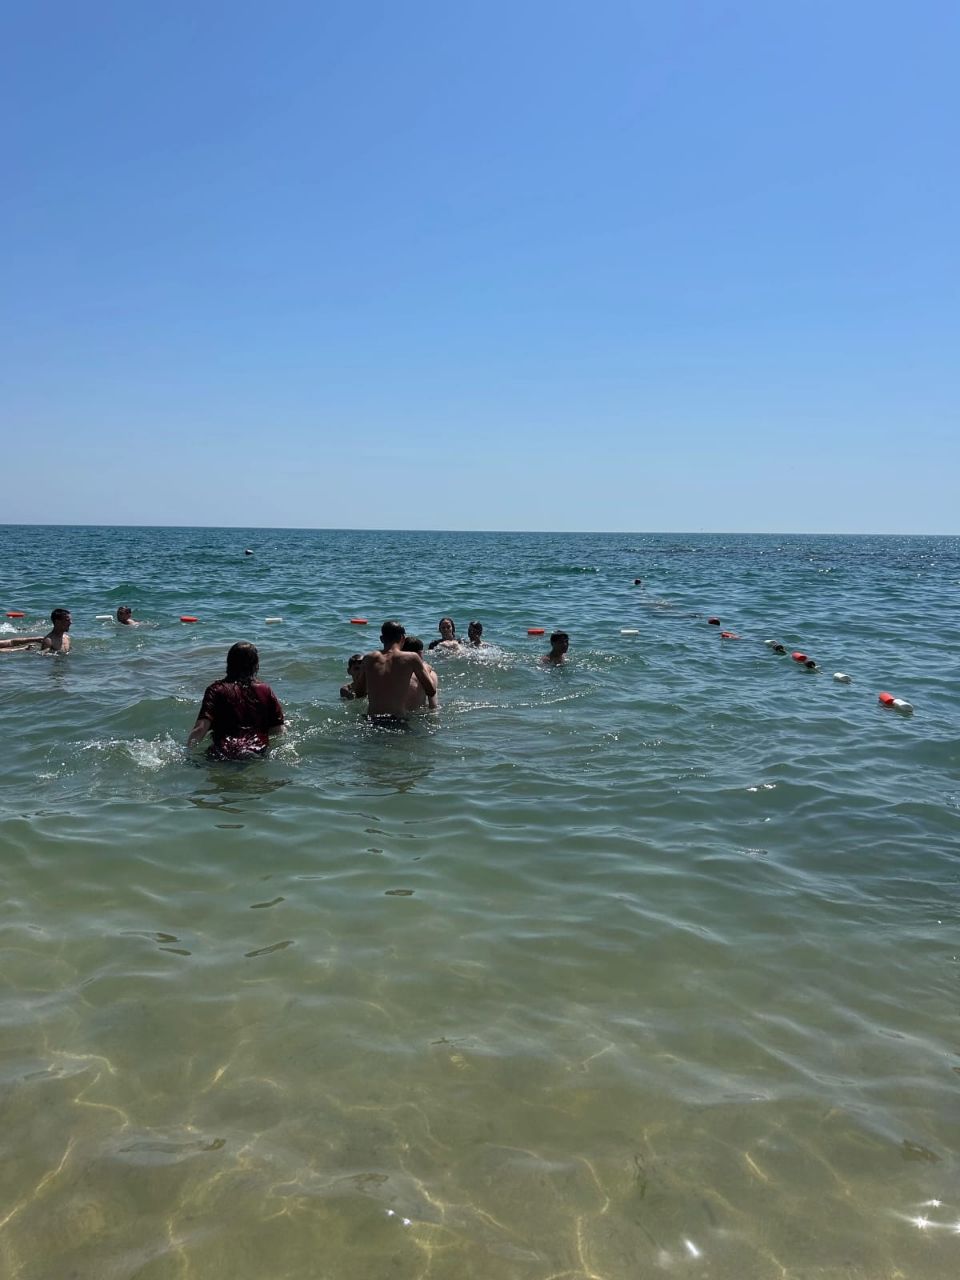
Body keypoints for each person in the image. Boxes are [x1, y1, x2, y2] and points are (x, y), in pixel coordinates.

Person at [187, 641, 284, 759]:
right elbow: (278, 730)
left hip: (224, 754)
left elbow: (200, 729)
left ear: (229, 663)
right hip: (257, 752)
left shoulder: (216, 690)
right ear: (255, 665)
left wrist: (187, 752)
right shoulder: (265, 690)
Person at [352, 621, 437, 727]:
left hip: (371, 720)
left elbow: (359, 693)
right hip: (396, 720)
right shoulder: (411, 658)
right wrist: (426, 669)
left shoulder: (368, 658)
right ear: (403, 638)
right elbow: (431, 690)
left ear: (381, 639)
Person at [401, 637, 439, 710]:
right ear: (420, 653)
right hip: (417, 714)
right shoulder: (429, 674)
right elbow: (433, 705)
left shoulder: (393, 671)